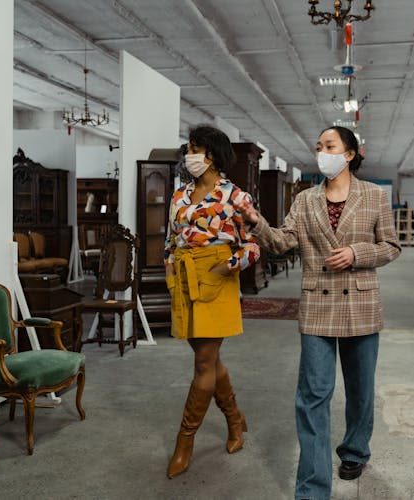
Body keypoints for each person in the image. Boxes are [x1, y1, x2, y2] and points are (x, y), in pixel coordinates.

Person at [235, 126, 401, 500]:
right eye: (318, 146)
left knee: (360, 391)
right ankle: (312, 488)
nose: (320, 152)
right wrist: (255, 220)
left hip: (360, 303)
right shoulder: (305, 200)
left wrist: (357, 254)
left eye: (329, 146)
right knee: (311, 396)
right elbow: (282, 243)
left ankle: (355, 450)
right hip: (317, 305)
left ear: (349, 154)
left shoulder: (374, 197)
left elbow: (391, 246)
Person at [164, 125, 259, 479]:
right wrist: (168, 262)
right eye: (188, 148)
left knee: (204, 363)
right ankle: (235, 419)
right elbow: (172, 238)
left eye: (194, 149)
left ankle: (184, 440)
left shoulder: (236, 197)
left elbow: (253, 245)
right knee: (209, 359)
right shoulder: (179, 195)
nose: (188, 155)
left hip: (217, 278)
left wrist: (226, 267)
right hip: (185, 278)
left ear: (213, 155)